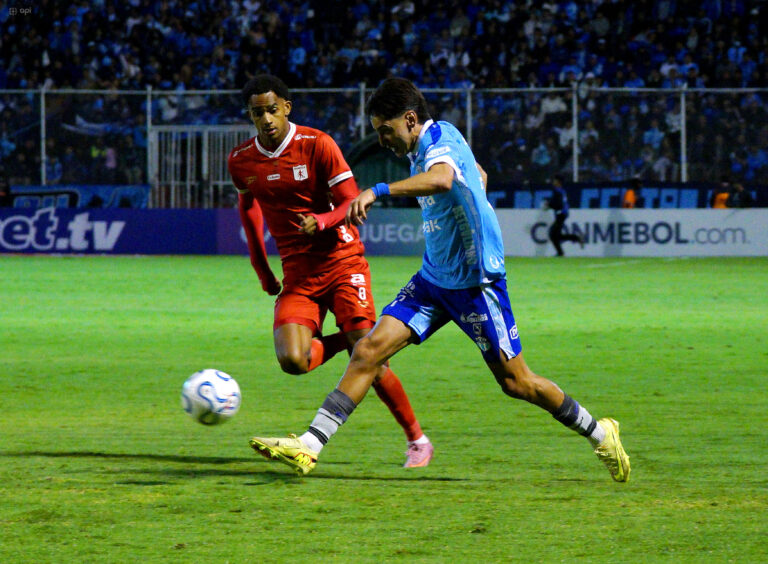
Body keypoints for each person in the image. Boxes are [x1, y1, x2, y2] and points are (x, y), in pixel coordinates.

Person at [249, 77, 630, 483]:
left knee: (518, 383)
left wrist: (377, 190)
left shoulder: (439, 139)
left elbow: (444, 178)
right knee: (368, 351)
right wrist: (475, 193)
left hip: (475, 285)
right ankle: (310, 445)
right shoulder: (424, 149)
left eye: (386, 130)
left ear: (410, 119)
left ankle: (599, 432)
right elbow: (475, 173)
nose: (382, 140)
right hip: (433, 280)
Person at [227, 75, 433, 468]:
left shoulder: (317, 144)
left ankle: (417, 439)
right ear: (250, 116)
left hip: (342, 262)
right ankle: (350, 343)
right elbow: (248, 209)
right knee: (293, 361)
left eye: (272, 109)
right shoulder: (242, 160)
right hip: (298, 273)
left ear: (287, 107)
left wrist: (322, 221)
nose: (266, 119)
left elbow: (351, 201)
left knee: (373, 360)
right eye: (258, 113)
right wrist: (260, 266)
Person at [546, 174, 584, 256]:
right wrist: (550, 205)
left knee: (553, 234)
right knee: (556, 235)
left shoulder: (557, 191)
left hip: (561, 214)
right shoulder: (561, 191)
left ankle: (562, 251)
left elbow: (558, 204)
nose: (553, 182)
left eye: (555, 180)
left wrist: (549, 205)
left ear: (558, 182)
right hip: (563, 214)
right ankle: (563, 250)